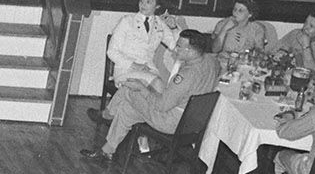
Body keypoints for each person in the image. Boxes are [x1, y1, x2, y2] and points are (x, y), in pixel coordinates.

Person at [83, 28, 217, 162]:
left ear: (191, 51)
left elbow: (162, 106)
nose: (175, 49)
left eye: (179, 47)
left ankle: (107, 115)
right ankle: (107, 151)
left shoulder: (186, 76)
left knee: (129, 89)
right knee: (127, 108)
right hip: (193, 121)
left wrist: (142, 88)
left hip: (172, 123)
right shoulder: (211, 61)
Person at [103, 0, 181, 99]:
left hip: (149, 70)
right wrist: (134, 65)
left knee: (155, 89)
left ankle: (116, 114)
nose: (143, 5)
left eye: (149, 2)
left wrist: (174, 28)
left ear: (157, 5)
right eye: (141, 1)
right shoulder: (127, 21)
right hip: (126, 70)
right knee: (157, 86)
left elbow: (175, 46)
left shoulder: (160, 24)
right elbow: (112, 51)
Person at [267, 9, 315, 76]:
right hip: (294, 77)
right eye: (306, 22)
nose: (305, 27)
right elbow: (274, 51)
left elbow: (312, 72)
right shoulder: (295, 34)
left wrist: (306, 46)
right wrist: (280, 53)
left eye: (311, 26)